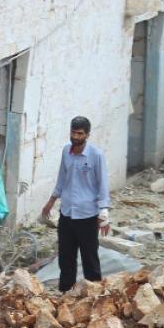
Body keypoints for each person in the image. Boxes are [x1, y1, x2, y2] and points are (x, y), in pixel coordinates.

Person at [41, 116, 110, 292]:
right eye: (73, 132)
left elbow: (103, 184)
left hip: (87, 214)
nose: (75, 137)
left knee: (89, 257)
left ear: (87, 135)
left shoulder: (96, 155)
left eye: (80, 133)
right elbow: (62, 178)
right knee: (66, 256)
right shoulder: (66, 151)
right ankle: (66, 292)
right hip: (67, 213)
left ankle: (94, 294)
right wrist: (51, 201)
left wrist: (104, 214)